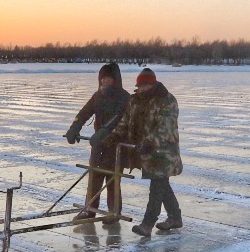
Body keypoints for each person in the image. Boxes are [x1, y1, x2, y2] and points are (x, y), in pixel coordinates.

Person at [91, 67, 183, 237]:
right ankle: (175, 217)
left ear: (153, 84)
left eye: (145, 86)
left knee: (157, 186)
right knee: (163, 185)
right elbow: (125, 123)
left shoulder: (167, 100)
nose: (141, 89)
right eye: (139, 86)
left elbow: (166, 128)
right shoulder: (135, 101)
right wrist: (112, 137)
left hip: (163, 152)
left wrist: (149, 142)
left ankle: (147, 224)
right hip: (144, 151)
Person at [65, 62, 131, 224]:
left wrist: (102, 133)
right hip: (98, 144)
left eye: (108, 79)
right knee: (94, 175)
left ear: (115, 80)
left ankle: (113, 212)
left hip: (115, 144)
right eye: (102, 79)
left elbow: (118, 118)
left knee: (112, 178)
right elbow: (84, 112)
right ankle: (89, 210)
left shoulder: (124, 97)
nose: (105, 82)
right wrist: (75, 127)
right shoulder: (98, 95)